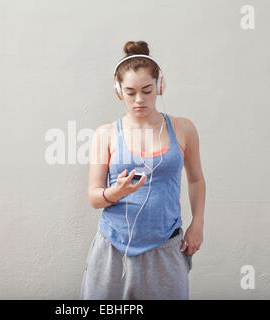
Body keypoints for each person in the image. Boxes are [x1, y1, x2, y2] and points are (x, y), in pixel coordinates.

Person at [80, 41, 206, 300]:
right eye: (130, 92)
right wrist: (115, 192)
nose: (139, 99)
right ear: (118, 92)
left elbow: (196, 180)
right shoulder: (105, 135)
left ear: (161, 86)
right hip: (114, 249)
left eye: (147, 90)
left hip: (166, 247)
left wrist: (198, 224)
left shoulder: (184, 129)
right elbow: (94, 197)